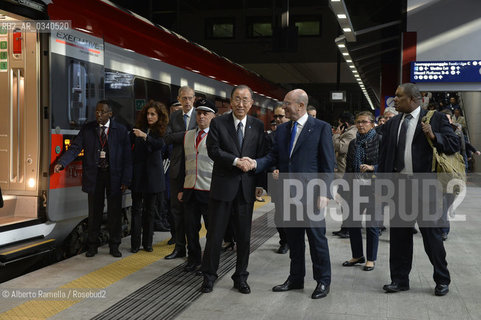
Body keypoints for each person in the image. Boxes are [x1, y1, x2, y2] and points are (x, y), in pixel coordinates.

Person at [378, 83, 459, 296]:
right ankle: (399, 280)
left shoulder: (435, 119)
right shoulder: (393, 122)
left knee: (432, 237)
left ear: (413, 99)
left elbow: (454, 144)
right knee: (399, 239)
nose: (394, 100)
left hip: (426, 188)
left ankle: (442, 279)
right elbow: (385, 156)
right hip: (399, 188)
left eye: (398, 96)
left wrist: (434, 136)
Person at [254, 89, 335, 299]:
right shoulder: (282, 130)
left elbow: (328, 164)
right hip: (289, 195)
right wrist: (255, 163)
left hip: (312, 195)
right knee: (295, 240)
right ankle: (296, 278)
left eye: (287, 103)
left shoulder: (321, 128)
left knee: (317, 240)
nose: (283, 107)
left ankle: (323, 281)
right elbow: (273, 157)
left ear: (300, 105)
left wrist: (325, 192)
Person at [199, 85, 266, 294]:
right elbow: (213, 150)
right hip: (222, 189)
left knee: (244, 238)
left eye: (245, 100)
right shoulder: (219, 123)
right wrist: (237, 161)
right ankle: (209, 276)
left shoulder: (257, 125)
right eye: (237, 99)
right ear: (230, 101)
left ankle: (240, 277)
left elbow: (262, 154)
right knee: (215, 236)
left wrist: (260, 183)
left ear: (251, 103)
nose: (241, 104)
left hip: (246, 190)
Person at [54, 101, 132, 258]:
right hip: (95, 176)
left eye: (102, 112)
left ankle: (114, 245)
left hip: (114, 176)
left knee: (114, 212)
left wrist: (126, 180)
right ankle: (92, 246)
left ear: (110, 114)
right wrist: (62, 163)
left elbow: (127, 158)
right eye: (97, 112)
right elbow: (75, 147)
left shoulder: (121, 131)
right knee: (94, 212)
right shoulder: (88, 129)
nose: (98, 114)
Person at [178, 98, 217, 272]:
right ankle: (193, 258)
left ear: (213, 117)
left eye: (205, 113)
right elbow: (182, 164)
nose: (201, 116)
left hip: (209, 190)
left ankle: (207, 262)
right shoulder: (188, 136)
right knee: (190, 228)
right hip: (189, 189)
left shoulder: (217, 137)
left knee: (211, 229)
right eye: (199, 113)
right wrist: (181, 188)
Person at [341, 111, 381, 271]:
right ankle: (357, 255)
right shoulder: (354, 143)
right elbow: (349, 167)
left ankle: (371, 259)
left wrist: (373, 168)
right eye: (358, 122)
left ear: (372, 123)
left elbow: (388, 163)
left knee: (372, 225)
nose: (360, 125)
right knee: (353, 223)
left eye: (364, 122)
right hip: (355, 188)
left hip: (375, 189)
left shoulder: (380, 140)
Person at [130, 101, 169, 253]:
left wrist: (145, 136)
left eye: (153, 114)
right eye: (148, 114)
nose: (149, 116)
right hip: (138, 175)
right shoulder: (138, 129)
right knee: (136, 210)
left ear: (159, 116)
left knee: (150, 211)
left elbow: (159, 145)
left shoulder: (161, 130)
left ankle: (148, 243)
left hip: (153, 178)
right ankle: (134, 244)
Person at [163, 87, 197, 259]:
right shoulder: (174, 116)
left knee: (192, 212)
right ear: (179, 99)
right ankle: (179, 247)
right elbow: (167, 138)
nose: (187, 101)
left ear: (194, 99)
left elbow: (202, 136)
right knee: (176, 211)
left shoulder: (201, 115)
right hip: (177, 169)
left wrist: (180, 135)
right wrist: (189, 134)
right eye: (184, 98)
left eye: (190, 98)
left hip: (195, 170)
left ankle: (194, 249)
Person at [268, 105, 290, 254]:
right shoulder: (270, 136)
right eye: (275, 117)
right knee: (279, 214)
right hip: (276, 180)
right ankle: (284, 241)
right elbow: (269, 156)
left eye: (280, 116)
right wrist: (272, 169)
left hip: (294, 180)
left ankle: (292, 240)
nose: (277, 120)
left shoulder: (294, 134)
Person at [332, 111, 357, 238]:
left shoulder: (350, 133)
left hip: (345, 172)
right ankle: (345, 227)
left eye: (339, 124)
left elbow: (341, 148)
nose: (338, 127)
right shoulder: (349, 132)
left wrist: (336, 135)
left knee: (346, 201)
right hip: (343, 171)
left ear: (345, 124)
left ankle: (347, 229)